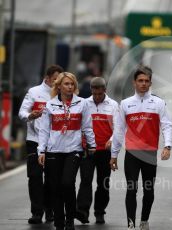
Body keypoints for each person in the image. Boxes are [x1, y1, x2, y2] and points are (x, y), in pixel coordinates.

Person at [110, 66, 172, 230]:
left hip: (150, 153)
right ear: (134, 83)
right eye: (140, 81)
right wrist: (114, 155)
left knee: (149, 191)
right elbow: (119, 130)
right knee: (131, 190)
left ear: (150, 83)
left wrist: (167, 146)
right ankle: (130, 223)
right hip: (132, 153)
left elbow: (167, 125)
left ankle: (144, 221)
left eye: (146, 81)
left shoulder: (159, 103)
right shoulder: (125, 104)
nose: (143, 84)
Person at [37, 72, 96, 230]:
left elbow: (87, 127)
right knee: (55, 187)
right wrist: (41, 151)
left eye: (72, 84)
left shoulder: (82, 103)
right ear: (59, 86)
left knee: (67, 183)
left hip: (73, 150)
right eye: (66, 84)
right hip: (53, 151)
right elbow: (44, 130)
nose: (70, 87)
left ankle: (69, 219)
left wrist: (92, 145)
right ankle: (59, 222)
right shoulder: (50, 105)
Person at [18, 64, 64, 224]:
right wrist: (30, 115)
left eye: (60, 80)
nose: (57, 83)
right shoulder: (34, 92)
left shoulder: (62, 95)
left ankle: (49, 209)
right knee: (35, 177)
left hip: (53, 143)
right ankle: (37, 212)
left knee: (52, 179)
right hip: (34, 140)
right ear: (47, 78)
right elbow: (21, 113)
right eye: (55, 80)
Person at [75, 77, 119, 224]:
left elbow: (118, 128)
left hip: (105, 151)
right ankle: (82, 212)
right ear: (91, 90)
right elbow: (79, 125)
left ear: (105, 91)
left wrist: (111, 141)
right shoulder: (84, 104)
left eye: (100, 94)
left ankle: (100, 212)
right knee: (85, 181)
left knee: (103, 183)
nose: (97, 97)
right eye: (95, 94)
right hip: (88, 150)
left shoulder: (113, 105)